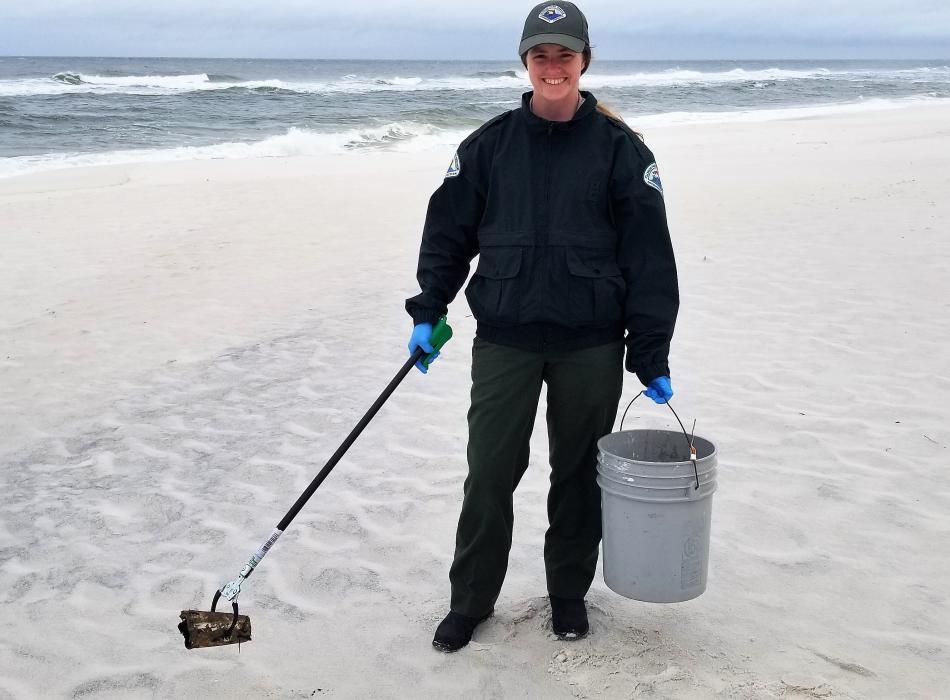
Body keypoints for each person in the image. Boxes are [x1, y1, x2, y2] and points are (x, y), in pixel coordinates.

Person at [405, 1, 679, 653]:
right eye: (540, 55)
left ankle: (567, 596)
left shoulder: (621, 151)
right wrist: (428, 311)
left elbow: (649, 259)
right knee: (490, 474)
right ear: (524, 64)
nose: (552, 67)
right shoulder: (488, 146)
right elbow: (447, 235)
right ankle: (470, 601)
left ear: (584, 61)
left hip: (590, 343)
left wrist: (651, 352)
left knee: (578, 474)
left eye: (564, 54)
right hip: (505, 339)